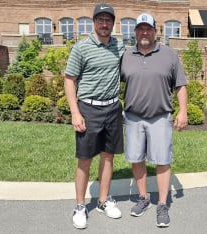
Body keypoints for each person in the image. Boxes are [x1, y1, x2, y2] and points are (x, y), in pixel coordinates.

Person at [120, 13, 188, 228]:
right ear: (135, 32)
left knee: (162, 161)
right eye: (140, 28)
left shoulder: (169, 55)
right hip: (132, 117)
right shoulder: (126, 55)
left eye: (148, 28)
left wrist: (183, 111)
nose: (144, 32)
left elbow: (180, 85)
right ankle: (143, 198)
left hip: (160, 117)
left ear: (155, 31)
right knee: (137, 159)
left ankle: (162, 204)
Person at [64, 3, 125, 229]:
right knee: (85, 159)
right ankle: (80, 205)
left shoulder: (119, 47)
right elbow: (70, 80)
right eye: (100, 19)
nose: (104, 23)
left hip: (112, 108)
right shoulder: (81, 48)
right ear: (94, 22)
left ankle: (103, 200)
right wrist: (75, 112)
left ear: (112, 23)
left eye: (108, 20)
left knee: (108, 156)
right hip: (88, 109)